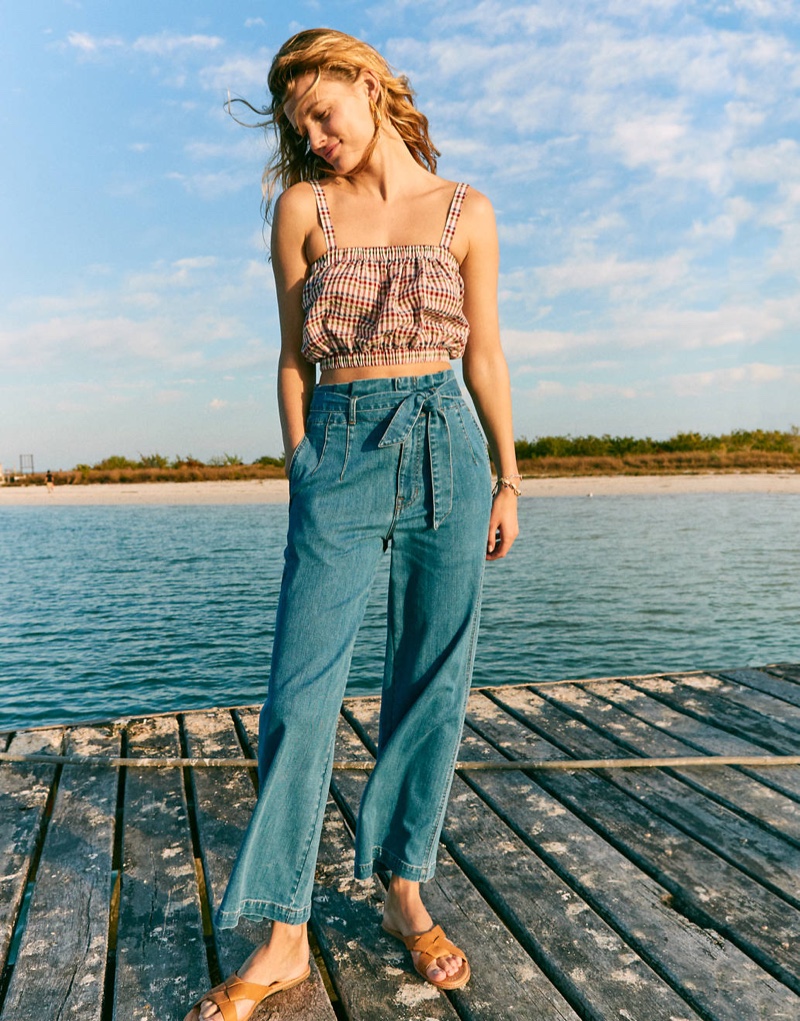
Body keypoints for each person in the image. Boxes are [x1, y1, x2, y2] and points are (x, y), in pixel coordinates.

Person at [186, 27, 520, 1021]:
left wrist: (507, 475)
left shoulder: (466, 210)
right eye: (299, 126)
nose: (315, 137)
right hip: (338, 444)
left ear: (367, 86)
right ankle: (283, 932)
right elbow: (291, 357)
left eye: (322, 113)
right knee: (299, 690)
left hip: (447, 451)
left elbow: (487, 357)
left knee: (430, 680)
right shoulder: (303, 208)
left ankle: (402, 888)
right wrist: (303, 461)